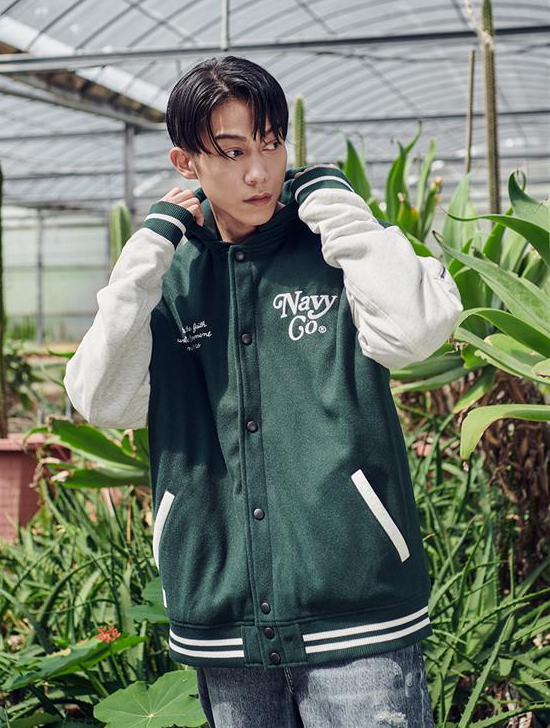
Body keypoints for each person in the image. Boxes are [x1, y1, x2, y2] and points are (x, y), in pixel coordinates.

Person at [64, 55, 463, 727]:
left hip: (357, 615)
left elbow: (416, 330)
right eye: (233, 152)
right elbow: (101, 401)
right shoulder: (170, 278)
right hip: (224, 620)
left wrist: (338, 206)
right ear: (186, 162)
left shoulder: (332, 252)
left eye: (271, 144)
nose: (259, 171)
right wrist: (145, 256)